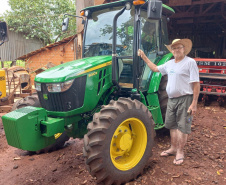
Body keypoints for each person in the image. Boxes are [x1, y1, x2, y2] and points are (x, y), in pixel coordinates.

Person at [138, 39, 200, 165]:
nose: (176, 50)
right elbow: (155, 68)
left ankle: (180, 152)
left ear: (184, 49)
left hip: (185, 99)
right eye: (174, 48)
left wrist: (194, 103)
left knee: (182, 127)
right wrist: (144, 57)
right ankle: (173, 148)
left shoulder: (190, 63)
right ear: (171, 50)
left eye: (179, 47)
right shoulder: (170, 63)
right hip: (171, 99)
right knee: (172, 125)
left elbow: (196, 83)